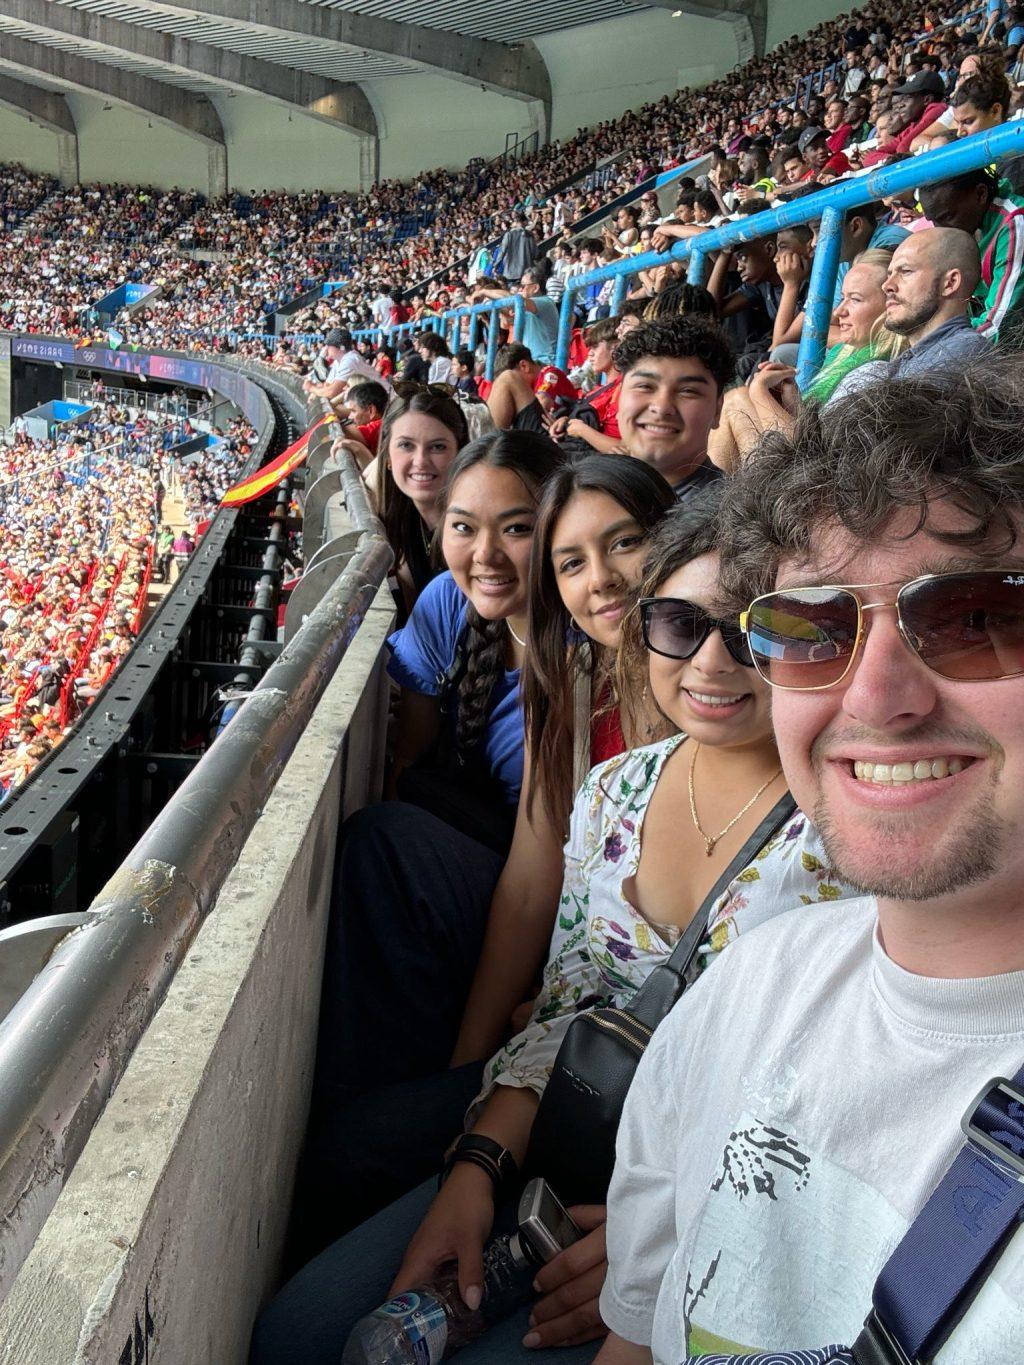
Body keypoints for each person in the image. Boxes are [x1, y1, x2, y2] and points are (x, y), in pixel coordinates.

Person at [251, 488, 854, 1365]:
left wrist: (679, 1238)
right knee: (298, 1335)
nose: (712, 662)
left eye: (751, 632)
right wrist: (475, 1168)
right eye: (681, 625)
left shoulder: (847, 835)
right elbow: (564, 1011)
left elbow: (838, 1105)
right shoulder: (617, 793)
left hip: (717, 1212)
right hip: (566, 1151)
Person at [596, 360, 1024, 1365]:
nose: (874, 698)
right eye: (813, 628)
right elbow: (639, 1334)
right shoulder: (750, 983)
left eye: (974, 620)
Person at [709, 249, 905, 470]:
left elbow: (812, 458)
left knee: (738, 401)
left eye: (855, 300)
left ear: (889, 305)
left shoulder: (876, 371)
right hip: (801, 464)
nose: (839, 311)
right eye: (843, 298)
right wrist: (792, 400)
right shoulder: (847, 351)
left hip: (808, 478)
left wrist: (760, 394)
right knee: (738, 397)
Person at [364, 387, 469, 616]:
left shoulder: (475, 528)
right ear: (387, 457)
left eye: (438, 447)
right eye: (406, 445)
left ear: (461, 453)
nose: (420, 461)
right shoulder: (405, 520)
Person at [614, 316, 735, 500]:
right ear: (619, 397)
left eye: (688, 391)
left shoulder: (734, 518)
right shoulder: (589, 494)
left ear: (718, 409)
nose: (662, 407)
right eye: (645, 386)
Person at [919, 168, 1024, 344]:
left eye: (947, 216)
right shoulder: (964, 227)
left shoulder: (1015, 223)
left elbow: (998, 325)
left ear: (981, 194)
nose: (940, 228)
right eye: (933, 220)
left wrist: (939, 345)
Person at [486, 344, 577, 433]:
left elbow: (543, 401)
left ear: (524, 366)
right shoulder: (532, 386)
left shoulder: (549, 373)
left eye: (516, 376)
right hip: (544, 430)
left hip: (557, 433)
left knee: (507, 378)